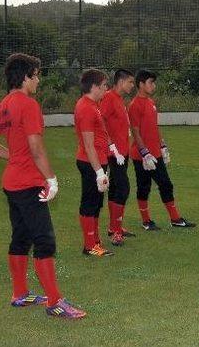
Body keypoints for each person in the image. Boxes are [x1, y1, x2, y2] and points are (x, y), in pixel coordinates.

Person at [0, 53, 86, 318]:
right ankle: (54, 302)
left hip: (12, 183)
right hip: (28, 184)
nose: (38, 80)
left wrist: (13, 157)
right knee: (44, 241)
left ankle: (20, 294)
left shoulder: (4, 104)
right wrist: (51, 179)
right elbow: (37, 148)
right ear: (26, 77)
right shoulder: (28, 104)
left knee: (21, 238)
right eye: (36, 75)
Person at [128, 69, 194, 230]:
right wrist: (144, 153)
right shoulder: (135, 105)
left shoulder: (151, 102)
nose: (153, 85)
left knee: (166, 184)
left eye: (153, 82)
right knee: (144, 187)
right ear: (141, 84)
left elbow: (154, 127)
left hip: (155, 154)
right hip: (141, 157)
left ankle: (175, 219)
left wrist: (162, 145)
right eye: (150, 82)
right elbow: (135, 131)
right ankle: (146, 221)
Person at [74, 69, 113, 257]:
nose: (107, 88)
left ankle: (95, 241)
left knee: (97, 203)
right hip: (90, 162)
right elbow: (88, 145)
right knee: (89, 203)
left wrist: (110, 149)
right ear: (95, 86)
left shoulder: (93, 105)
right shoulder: (85, 108)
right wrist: (98, 171)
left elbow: (100, 136)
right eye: (104, 85)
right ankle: (89, 246)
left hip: (97, 161)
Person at [100, 69, 136, 246]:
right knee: (123, 188)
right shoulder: (108, 97)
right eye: (130, 82)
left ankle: (114, 227)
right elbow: (100, 122)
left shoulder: (120, 100)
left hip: (123, 153)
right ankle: (115, 231)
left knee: (115, 189)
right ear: (121, 82)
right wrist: (111, 146)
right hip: (114, 154)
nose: (132, 86)